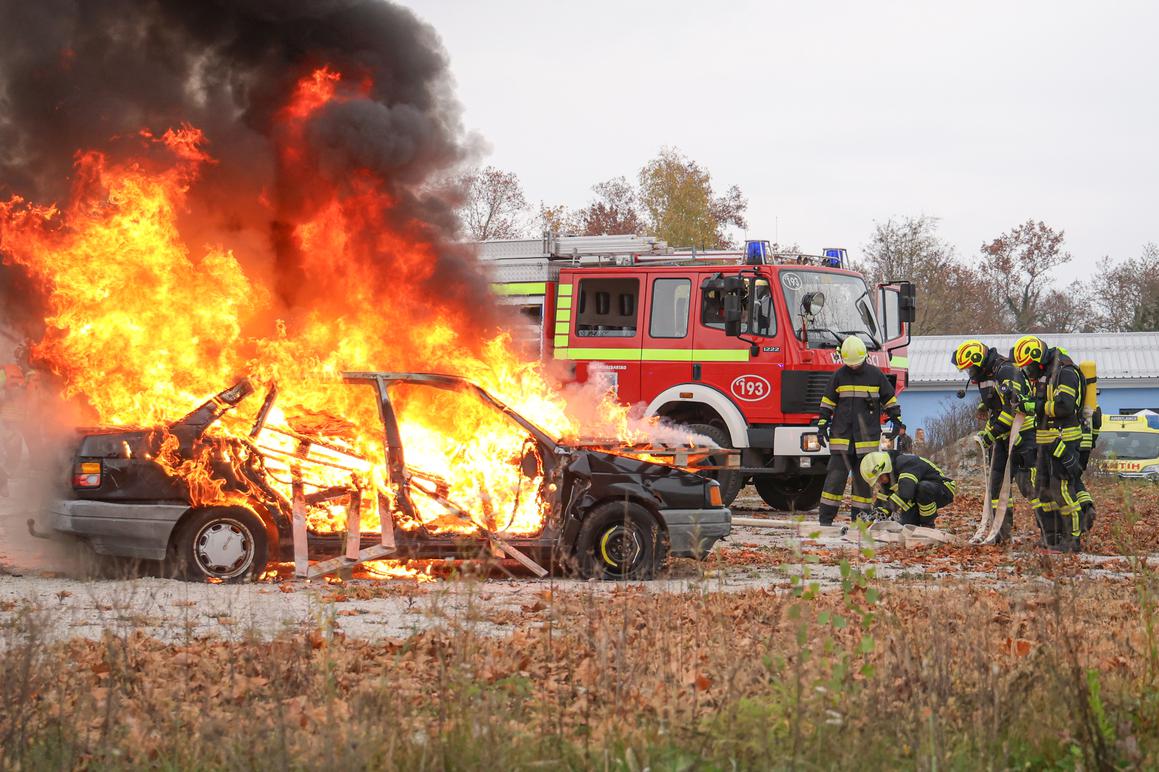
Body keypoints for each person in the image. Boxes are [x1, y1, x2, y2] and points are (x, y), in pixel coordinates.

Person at [1013, 335, 1095, 552]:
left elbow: (1064, 406)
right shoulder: (1045, 374)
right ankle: (1052, 536)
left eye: (1029, 366)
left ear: (1038, 359)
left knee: (1062, 491)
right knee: (1043, 492)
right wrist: (1027, 404)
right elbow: (1041, 403)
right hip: (1044, 443)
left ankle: (1072, 539)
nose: (1028, 371)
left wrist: (1035, 407)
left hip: (1063, 441)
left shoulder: (1065, 373)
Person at [951, 339, 1036, 542]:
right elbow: (997, 408)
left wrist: (991, 435)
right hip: (1002, 437)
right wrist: (986, 410)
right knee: (996, 487)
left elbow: (1012, 409)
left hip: (1023, 435)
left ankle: (1054, 531)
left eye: (970, 368)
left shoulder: (1006, 371)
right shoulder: (986, 374)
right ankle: (1001, 533)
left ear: (979, 361)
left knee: (1029, 486)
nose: (969, 373)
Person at [815, 336, 903, 525]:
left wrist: (896, 420)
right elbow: (827, 403)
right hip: (842, 439)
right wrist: (822, 425)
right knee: (834, 481)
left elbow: (889, 399)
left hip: (866, 441)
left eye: (856, 363)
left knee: (863, 483)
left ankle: (860, 521)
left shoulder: (876, 375)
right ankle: (825, 520)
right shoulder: (838, 376)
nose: (854, 366)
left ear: (865, 357)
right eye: (850, 363)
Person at [860, 450, 957, 526]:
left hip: (943, 488)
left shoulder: (906, 463)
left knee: (922, 488)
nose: (880, 482)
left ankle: (928, 525)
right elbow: (882, 501)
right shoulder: (888, 476)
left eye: (879, 478)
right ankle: (917, 525)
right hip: (919, 493)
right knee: (906, 524)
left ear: (884, 468)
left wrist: (887, 509)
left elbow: (906, 492)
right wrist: (874, 515)